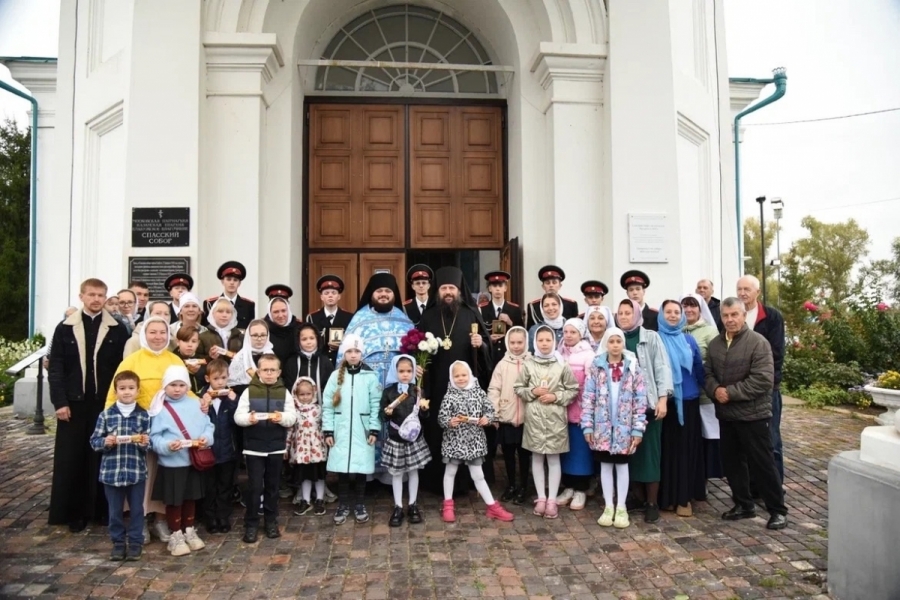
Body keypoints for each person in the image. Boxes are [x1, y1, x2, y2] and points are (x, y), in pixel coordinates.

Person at [48, 278, 129, 531]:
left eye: (100, 295)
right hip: (74, 403)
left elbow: (122, 368)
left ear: (106, 297)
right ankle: (74, 512)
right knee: (73, 459)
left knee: (104, 456)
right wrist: (60, 401)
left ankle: (102, 511)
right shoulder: (65, 328)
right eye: (91, 294)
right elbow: (57, 367)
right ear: (81, 296)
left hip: (104, 403)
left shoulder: (117, 329)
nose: (96, 299)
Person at [704, 297, 788, 530]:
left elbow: (763, 380)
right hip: (727, 415)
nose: (730, 319)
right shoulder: (715, 344)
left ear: (743, 315)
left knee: (762, 463)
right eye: (726, 315)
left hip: (753, 415)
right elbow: (708, 373)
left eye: (734, 315)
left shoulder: (758, 343)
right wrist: (715, 390)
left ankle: (778, 510)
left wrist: (729, 393)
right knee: (732, 463)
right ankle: (743, 504)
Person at [107, 315, 191, 542]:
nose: (158, 336)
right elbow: (114, 392)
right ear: (144, 334)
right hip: (138, 428)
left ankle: (161, 521)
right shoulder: (131, 361)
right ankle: (140, 521)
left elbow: (187, 391)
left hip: (167, 429)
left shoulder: (174, 360)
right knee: (142, 477)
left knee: (162, 477)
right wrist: (110, 423)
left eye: (162, 332)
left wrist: (200, 403)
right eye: (152, 332)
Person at [417, 266, 494, 493]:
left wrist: (482, 345)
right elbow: (418, 349)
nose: (448, 292)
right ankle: (436, 481)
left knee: (466, 428)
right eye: (444, 288)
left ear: (459, 290)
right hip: (437, 385)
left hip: (465, 387)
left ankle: (466, 482)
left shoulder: (471, 313)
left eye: (452, 287)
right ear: (437, 291)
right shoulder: (429, 315)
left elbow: (487, 351)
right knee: (439, 429)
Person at [340, 272, 413, 484]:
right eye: (379, 291)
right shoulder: (359, 319)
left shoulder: (403, 318)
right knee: (368, 425)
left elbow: (413, 354)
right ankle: (367, 475)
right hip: (366, 383)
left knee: (393, 425)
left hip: (395, 385)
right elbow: (344, 354)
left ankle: (392, 477)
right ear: (372, 294)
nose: (383, 295)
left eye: (388, 291)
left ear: (394, 294)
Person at [581, 327, 648, 529]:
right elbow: (588, 397)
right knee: (605, 467)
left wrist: (637, 429)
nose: (615, 345)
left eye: (619, 341)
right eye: (612, 341)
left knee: (622, 466)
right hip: (602, 429)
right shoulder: (597, 366)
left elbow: (640, 399)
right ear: (606, 344)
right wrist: (587, 426)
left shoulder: (633, 367)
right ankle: (608, 505)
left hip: (624, 429)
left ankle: (621, 506)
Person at [514, 325, 579, 519]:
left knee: (553, 458)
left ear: (554, 342)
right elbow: (518, 387)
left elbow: (573, 389)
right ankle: (541, 497)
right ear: (535, 342)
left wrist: (555, 396)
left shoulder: (561, 365)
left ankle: (552, 499)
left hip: (555, 419)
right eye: (540, 340)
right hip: (534, 418)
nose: (544, 344)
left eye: (548, 340)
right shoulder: (529, 364)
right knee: (537, 457)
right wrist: (532, 392)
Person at [616, 299, 672, 524]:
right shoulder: (615, 337)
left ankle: (652, 502)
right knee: (631, 454)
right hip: (623, 409)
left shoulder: (651, 337)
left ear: (636, 314)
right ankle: (637, 497)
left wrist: (662, 400)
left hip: (648, 406)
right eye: (620, 313)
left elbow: (662, 368)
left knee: (650, 455)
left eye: (628, 312)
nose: (624, 316)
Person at [150, 366, 215, 556]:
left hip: (193, 460)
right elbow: (155, 437)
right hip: (173, 463)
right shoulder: (160, 408)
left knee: (190, 497)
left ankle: (189, 529)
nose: (177, 389)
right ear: (165, 386)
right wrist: (167, 445)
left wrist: (205, 438)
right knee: (174, 500)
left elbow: (208, 425)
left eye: (181, 385)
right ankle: (175, 534)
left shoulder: (196, 403)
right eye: (172, 385)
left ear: (187, 386)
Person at [439, 361, 514, 523]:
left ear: (470, 375)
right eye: (456, 376)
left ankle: (492, 506)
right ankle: (448, 504)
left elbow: (489, 409)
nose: (460, 379)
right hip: (454, 441)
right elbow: (441, 417)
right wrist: (448, 422)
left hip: (474, 442)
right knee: (450, 472)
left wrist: (487, 418)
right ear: (452, 378)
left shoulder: (478, 392)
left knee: (478, 475)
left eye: (463, 375)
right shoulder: (449, 395)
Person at [233, 354, 297, 542]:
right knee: (254, 487)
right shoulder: (249, 391)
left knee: (272, 487)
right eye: (265, 370)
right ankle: (251, 523)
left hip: (276, 447)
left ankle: (271, 521)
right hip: (254, 447)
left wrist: (282, 418)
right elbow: (238, 416)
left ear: (278, 372)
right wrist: (249, 419)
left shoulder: (284, 392)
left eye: (272, 370)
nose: (269, 374)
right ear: (259, 371)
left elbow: (292, 417)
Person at [89, 370, 151, 561]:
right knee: (115, 510)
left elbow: (147, 443)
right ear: (115, 391)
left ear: (137, 390)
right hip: (112, 472)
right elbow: (94, 441)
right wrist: (105, 442)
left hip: (135, 471)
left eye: (131, 388)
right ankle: (117, 542)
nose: (126, 392)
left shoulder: (143, 415)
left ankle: (135, 542)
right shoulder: (106, 415)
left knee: (137, 509)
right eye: (122, 388)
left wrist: (143, 442)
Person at [323, 334, 382, 525]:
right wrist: (328, 430)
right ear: (344, 353)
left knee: (360, 469)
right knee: (342, 470)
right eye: (349, 351)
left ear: (362, 353)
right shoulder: (335, 377)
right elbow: (327, 405)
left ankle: (359, 504)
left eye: (357, 351)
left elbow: (376, 404)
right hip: (341, 429)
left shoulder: (370, 377)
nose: (353, 355)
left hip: (362, 430)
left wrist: (374, 428)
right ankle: (343, 504)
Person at [656, 301, 706, 517]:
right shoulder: (654, 339)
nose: (674, 315)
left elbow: (698, 369)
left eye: (677, 312)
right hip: (664, 402)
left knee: (686, 451)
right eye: (669, 312)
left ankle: (684, 498)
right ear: (661, 315)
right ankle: (666, 497)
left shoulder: (689, 339)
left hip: (688, 400)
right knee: (667, 451)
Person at [736, 275, 786, 483]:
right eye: (739, 289)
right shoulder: (734, 316)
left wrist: (763, 382)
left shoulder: (771, 317)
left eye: (747, 289)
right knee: (745, 442)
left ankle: (774, 487)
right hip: (740, 389)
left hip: (766, 389)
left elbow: (776, 354)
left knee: (770, 440)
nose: (742, 293)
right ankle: (750, 488)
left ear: (758, 292)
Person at [380, 354, 432, 527]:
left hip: (413, 439)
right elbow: (383, 416)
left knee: (413, 471)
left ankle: (413, 504)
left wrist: (424, 409)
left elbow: (424, 416)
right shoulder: (389, 392)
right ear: (395, 371)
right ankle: (398, 506)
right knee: (396, 472)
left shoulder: (416, 390)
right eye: (401, 371)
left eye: (409, 371)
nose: (405, 374)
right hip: (396, 438)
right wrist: (387, 413)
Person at [680, 293, 724, 479]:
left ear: (700, 309)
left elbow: (715, 361)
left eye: (693, 306)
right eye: (685, 306)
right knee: (690, 438)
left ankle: (704, 476)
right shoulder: (677, 329)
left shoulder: (709, 331)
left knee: (707, 437)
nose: (689, 310)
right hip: (684, 395)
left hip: (704, 394)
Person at [487, 326, 531, 505]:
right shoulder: (502, 364)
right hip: (507, 416)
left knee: (524, 454)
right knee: (508, 454)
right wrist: (495, 413)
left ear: (526, 342)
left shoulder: (532, 362)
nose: (516, 346)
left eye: (520, 342)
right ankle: (511, 484)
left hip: (527, 419)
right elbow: (494, 389)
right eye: (512, 342)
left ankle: (524, 486)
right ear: (507, 343)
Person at [555, 318, 596, 511]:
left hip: (579, 410)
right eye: (566, 331)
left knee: (581, 452)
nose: (569, 335)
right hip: (560, 411)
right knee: (566, 450)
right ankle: (568, 486)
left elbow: (591, 385)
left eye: (573, 332)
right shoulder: (558, 352)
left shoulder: (588, 355)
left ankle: (581, 488)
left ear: (581, 334)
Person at [198, 358, 238, 534]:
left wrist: (232, 402)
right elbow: (197, 422)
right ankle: (210, 517)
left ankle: (223, 516)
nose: (220, 382)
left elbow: (236, 421)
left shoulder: (231, 397)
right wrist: (203, 405)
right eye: (216, 378)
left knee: (225, 485)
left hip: (228, 450)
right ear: (208, 379)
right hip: (208, 451)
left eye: (223, 378)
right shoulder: (201, 396)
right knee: (209, 486)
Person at [287, 377, 328, 517]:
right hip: (301, 450)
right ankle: (305, 500)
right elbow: (290, 430)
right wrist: (286, 447)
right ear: (296, 395)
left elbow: (325, 427)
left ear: (314, 393)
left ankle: (320, 499)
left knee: (319, 475)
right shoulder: (294, 411)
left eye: (308, 394)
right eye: (302, 394)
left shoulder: (318, 409)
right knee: (305, 476)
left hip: (317, 449)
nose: (305, 397)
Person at [306, 275, 353, 366]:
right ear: (321, 297)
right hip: (319, 363)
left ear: (339, 296)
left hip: (342, 363)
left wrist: (341, 345)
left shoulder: (349, 317)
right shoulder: (312, 317)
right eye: (326, 293)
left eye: (333, 293)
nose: (330, 295)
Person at [282, 322, 335, 397]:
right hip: (296, 406)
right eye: (304, 339)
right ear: (298, 342)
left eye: (312, 338)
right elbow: (288, 385)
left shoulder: (325, 361)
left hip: (320, 405)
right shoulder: (292, 362)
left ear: (317, 339)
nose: (309, 342)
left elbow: (330, 385)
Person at [479, 270, 524, 358]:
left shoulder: (514, 309)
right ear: (490, 288)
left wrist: (510, 322)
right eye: (494, 286)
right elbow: (478, 334)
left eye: (500, 285)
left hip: (509, 356)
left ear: (505, 288)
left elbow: (522, 332)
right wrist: (489, 339)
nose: (498, 289)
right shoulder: (481, 309)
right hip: (489, 357)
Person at [203, 261, 255, 329]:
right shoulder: (210, 303)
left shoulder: (248, 305)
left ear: (239, 283)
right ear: (222, 281)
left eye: (235, 280)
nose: (232, 283)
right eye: (228, 279)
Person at [228, 319, 273, 396]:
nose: (259, 339)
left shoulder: (272, 355)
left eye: (263, 335)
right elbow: (233, 385)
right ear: (248, 336)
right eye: (255, 335)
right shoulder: (239, 358)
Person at [264, 284, 301, 366]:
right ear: (270, 312)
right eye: (276, 312)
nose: (280, 315)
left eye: (283, 311)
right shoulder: (263, 328)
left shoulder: (299, 327)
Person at [199, 297, 243, 364]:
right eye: (220, 311)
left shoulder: (239, 336)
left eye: (228, 312)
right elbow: (198, 359)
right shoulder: (203, 336)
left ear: (232, 315)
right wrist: (210, 357)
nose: (224, 315)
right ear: (213, 314)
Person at [173, 325, 207, 395]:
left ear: (198, 343)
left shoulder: (204, 361)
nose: (190, 345)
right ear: (178, 342)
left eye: (193, 341)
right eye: (186, 341)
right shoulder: (172, 360)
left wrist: (199, 372)